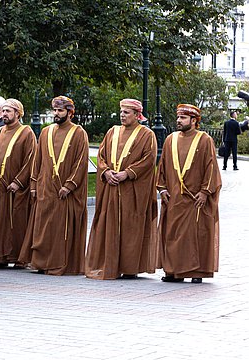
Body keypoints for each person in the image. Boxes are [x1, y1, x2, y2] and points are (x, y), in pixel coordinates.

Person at [85, 99, 157, 280]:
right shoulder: (112, 132)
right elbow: (101, 155)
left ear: (137, 115)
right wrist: (106, 172)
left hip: (131, 190)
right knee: (108, 224)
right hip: (111, 188)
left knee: (130, 226)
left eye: (126, 113)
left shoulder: (146, 135)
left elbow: (148, 160)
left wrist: (128, 173)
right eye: (122, 112)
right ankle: (108, 263)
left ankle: (129, 267)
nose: (122, 116)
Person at [19, 96, 88, 275]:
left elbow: (81, 163)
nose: (56, 114)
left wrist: (69, 185)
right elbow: (37, 161)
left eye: (60, 111)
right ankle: (40, 263)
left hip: (64, 191)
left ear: (70, 113)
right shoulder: (46, 132)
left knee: (59, 229)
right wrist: (33, 185)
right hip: (44, 188)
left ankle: (57, 264)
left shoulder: (79, 133)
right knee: (42, 227)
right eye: (55, 110)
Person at [157, 104, 221, 283]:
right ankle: (174, 271)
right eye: (178, 117)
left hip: (195, 199)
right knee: (173, 235)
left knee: (195, 235)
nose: (178, 121)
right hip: (174, 198)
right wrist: (162, 189)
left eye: (183, 118)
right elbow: (162, 167)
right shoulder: (171, 139)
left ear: (194, 121)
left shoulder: (204, 140)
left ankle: (197, 272)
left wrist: (205, 191)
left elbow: (211, 168)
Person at [0, 99, 36, 268]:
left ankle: (18, 258)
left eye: (8, 111)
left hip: (15, 189)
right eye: (3, 111)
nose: (4, 114)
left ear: (18, 114)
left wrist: (18, 182)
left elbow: (30, 161)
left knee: (16, 224)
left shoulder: (26, 133)